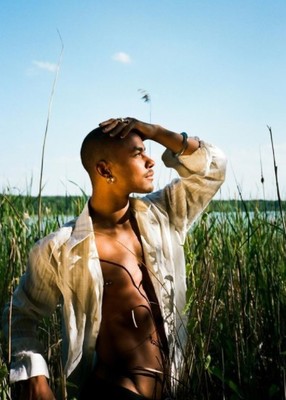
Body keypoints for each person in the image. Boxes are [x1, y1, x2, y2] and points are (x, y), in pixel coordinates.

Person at [2, 117, 226, 399]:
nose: (151, 160)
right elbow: (19, 314)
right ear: (105, 169)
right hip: (113, 390)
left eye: (147, 150)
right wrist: (33, 373)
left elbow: (213, 169)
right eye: (138, 153)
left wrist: (155, 132)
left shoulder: (163, 214)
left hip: (171, 388)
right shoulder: (61, 247)